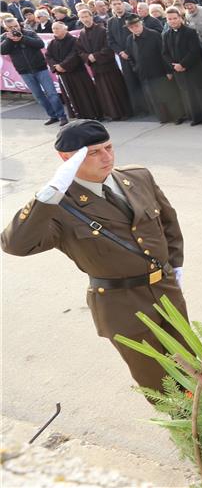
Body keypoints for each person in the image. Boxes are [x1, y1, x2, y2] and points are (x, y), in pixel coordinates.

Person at [1, 120, 190, 394]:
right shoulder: (58, 205)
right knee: (159, 382)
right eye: (94, 152)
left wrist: (176, 266)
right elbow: (15, 244)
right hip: (122, 306)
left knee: (190, 363)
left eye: (109, 147)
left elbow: (169, 224)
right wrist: (50, 193)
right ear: (67, 159)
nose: (107, 157)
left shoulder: (137, 177)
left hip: (167, 290)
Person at [1, 17, 68, 126]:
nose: (14, 28)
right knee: (39, 96)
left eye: (16, 26)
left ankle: (62, 116)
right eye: (11, 27)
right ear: (5, 28)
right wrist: (10, 40)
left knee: (52, 94)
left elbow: (40, 44)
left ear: (19, 24)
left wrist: (22, 38)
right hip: (24, 72)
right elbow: (2, 51)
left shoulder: (29, 33)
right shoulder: (4, 38)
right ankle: (52, 116)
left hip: (40, 68)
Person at [162, 7, 202, 126]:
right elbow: (165, 53)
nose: (172, 21)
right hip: (179, 71)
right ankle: (196, 118)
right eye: (170, 19)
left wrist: (183, 64)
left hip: (194, 68)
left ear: (180, 18)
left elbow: (194, 51)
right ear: (167, 20)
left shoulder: (190, 32)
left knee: (201, 93)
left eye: (175, 18)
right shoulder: (166, 35)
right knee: (188, 95)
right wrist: (174, 66)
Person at [125, 15, 187, 125]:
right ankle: (164, 117)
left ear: (141, 24)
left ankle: (178, 116)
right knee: (155, 97)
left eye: (136, 25)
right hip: (144, 73)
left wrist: (168, 71)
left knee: (168, 94)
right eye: (131, 27)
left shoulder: (153, 34)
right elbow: (130, 57)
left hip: (159, 71)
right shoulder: (130, 39)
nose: (135, 28)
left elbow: (164, 54)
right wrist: (136, 68)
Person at [75, 9, 131, 121]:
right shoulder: (81, 33)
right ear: (80, 19)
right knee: (103, 92)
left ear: (92, 16)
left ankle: (124, 112)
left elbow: (108, 46)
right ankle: (112, 114)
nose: (85, 19)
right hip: (96, 68)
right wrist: (87, 57)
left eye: (87, 16)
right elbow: (80, 51)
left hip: (108, 66)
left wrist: (95, 56)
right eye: (82, 17)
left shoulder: (102, 30)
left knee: (116, 89)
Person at [45, 21, 103, 121]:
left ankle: (94, 115)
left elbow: (75, 54)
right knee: (71, 96)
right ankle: (79, 115)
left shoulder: (74, 40)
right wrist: (56, 66)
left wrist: (63, 65)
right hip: (63, 75)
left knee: (85, 94)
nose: (55, 30)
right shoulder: (52, 43)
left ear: (65, 28)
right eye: (53, 29)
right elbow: (48, 56)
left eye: (57, 28)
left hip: (77, 73)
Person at [106, 0, 149, 116]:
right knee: (131, 82)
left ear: (123, 4)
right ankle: (140, 108)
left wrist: (131, 51)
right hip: (123, 57)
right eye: (114, 4)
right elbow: (110, 40)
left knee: (144, 80)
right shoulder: (110, 22)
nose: (117, 6)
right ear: (111, 6)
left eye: (119, 3)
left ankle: (151, 105)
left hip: (137, 54)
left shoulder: (132, 17)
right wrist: (120, 52)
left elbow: (140, 33)